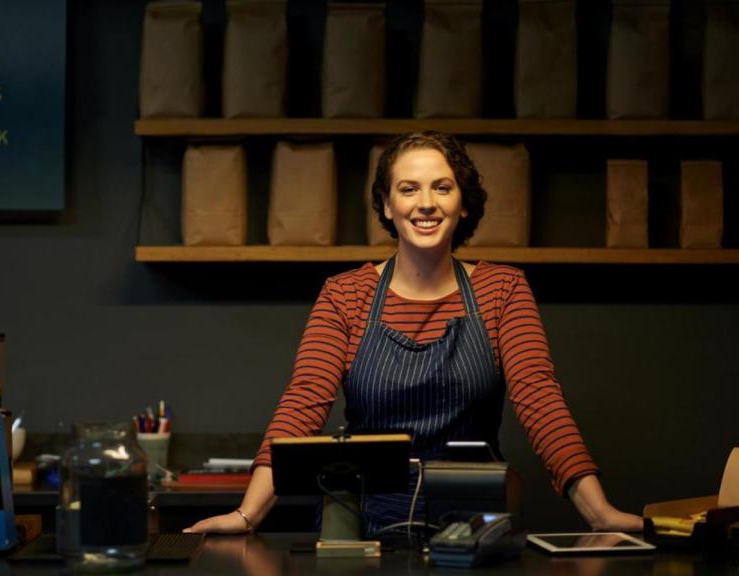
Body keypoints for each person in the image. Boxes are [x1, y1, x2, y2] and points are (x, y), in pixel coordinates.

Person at [185, 131, 643, 536]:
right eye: (409, 189)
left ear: (463, 204)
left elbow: (540, 400)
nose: (426, 203)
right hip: (363, 518)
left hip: (473, 520)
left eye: (442, 188)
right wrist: (248, 514)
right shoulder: (345, 295)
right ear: (387, 204)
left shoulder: (502, 290)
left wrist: (598, 512)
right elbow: (303, 403)